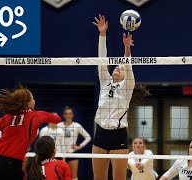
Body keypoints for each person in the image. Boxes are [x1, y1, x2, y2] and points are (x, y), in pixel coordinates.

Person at [0, 86, 62, 180]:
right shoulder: (37, 115)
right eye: (33, 98)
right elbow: (57, 119)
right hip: (10, 165)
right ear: (28, 103)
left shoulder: (7, 117)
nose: (34, 100)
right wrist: (54, 116)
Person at [92, 14, 135, 180]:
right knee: (99, 178)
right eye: (117, 66)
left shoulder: (127, 87)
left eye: (121, 68)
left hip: (118, 135)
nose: (118, 68)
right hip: (100, 133)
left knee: (119, 178)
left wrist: (127, 50)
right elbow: (102, 60)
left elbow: (129, 68)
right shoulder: (105, 80)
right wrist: (102, 35)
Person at [57, 106, 91, 180]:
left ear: (72, 115)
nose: (68, 115)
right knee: (59, 177)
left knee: (74, 177)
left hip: (71, 153)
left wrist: (79, 146)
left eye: (70, 113)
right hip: (59, 154)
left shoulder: (77, 126)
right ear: (64, 115)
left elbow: (88, 137)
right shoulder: (58, 126)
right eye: (66, 114)